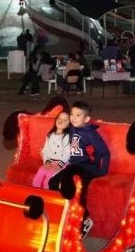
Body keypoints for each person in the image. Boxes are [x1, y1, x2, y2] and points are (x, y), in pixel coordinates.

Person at [47, 101, 110, 238]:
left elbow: (104, 152)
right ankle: (63, 216)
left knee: (77, 189)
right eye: (72, 114)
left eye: (78, 115)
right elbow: (60, 125)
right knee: (52, 183)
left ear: (86, 119)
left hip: (86, 167)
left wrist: (101, 171)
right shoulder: (72, 127)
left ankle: (85, 220)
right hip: (73, 166)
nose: (73, 118)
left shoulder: (90, 134)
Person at [32, 111, 71, 189]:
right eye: (59, 118)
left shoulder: (67, 137)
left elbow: (68, 153)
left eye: (65, 119)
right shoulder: (50, 135)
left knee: (50, 177)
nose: (61, 120)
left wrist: (60, 164)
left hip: (61, 163)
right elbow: (45, 150)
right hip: (50, 161)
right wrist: (46, 161)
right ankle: (34, 190)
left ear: (69, 124)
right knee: (40, 172)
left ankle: (48, 193)